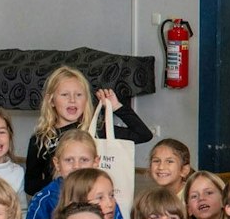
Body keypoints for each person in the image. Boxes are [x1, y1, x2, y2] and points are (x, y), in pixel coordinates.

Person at [21, 66, 146, 197]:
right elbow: (31, 185)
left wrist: (116, 106)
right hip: (58, 206)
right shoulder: (40, 139)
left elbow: (143, 134)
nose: (72, 100)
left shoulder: (96, 131)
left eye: (79, 95)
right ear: (51, 100)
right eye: (65, 94)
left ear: (86, 99)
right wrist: (58, 187)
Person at [21, 131, 99, 219]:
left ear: (95, 162)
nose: (76, 166)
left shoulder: (102, 196)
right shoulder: (43, 200)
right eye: (69, 160)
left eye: (84, 160)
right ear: (57, 164)